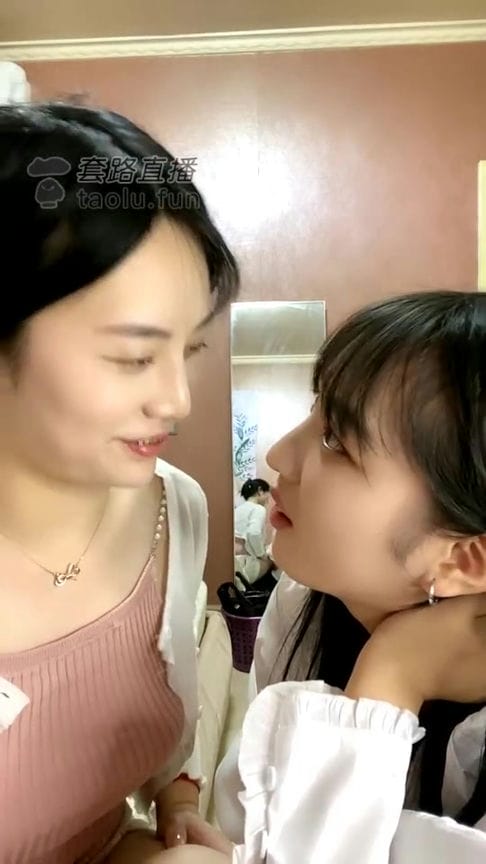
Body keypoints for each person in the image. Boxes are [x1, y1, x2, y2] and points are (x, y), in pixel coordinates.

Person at [0, 101, 239, 864]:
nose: (177, 401)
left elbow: (157, 732)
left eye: (189, 351)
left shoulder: (174, 508)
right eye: (135, 358)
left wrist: (174, 806)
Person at [209, 290, 486, 863]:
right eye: (315, 410)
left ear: (463, 559)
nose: (279, 455)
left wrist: (394, 671)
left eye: (337, 440)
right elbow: (258, 825)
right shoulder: (302, 606)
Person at [234, 479, 275, 590]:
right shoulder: (258, 509)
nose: (268, 501)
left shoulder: (237, 510)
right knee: (272, 564)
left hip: (235, 562)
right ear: (260, 491)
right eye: (268, 496)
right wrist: (261, 554)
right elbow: (253, 533)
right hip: (246, 564)